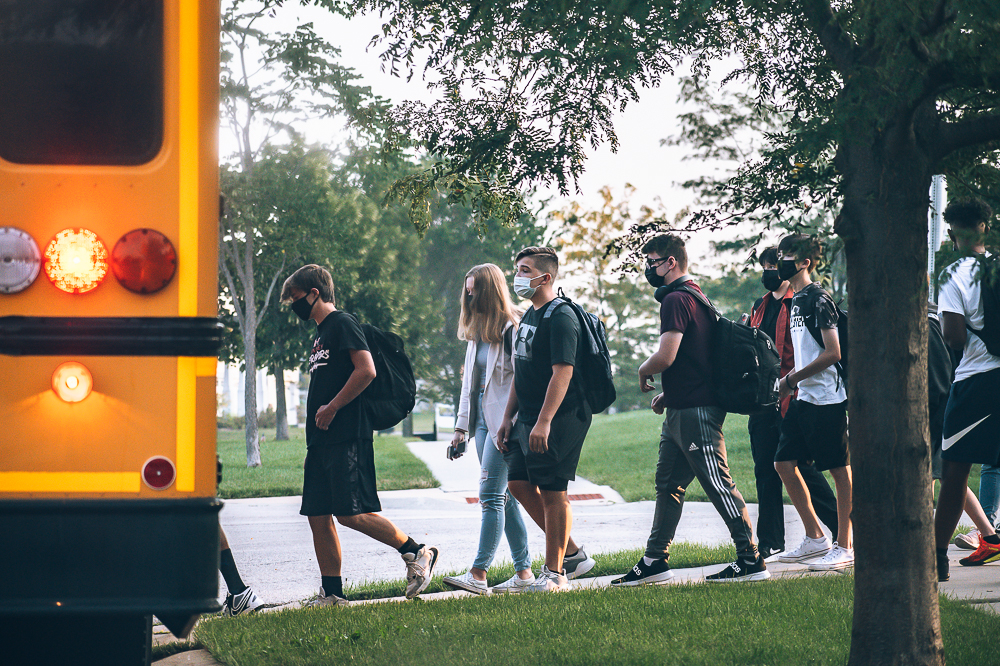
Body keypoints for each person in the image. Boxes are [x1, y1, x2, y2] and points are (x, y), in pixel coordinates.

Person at [612, 234, 768, 585]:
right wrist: (670, 394)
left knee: (717, 481)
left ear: (671, 262)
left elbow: (667, 355)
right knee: (668, 484)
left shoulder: (677, 299)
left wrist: (643, 369)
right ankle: (655, 560)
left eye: (653, 262)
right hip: (681, 408)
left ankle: (751, 559)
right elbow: (698, 357)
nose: (649, 269)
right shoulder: (697, 296)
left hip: (697, 411)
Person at [281, 264, 439, 606]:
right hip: (321, 440)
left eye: (295, 298)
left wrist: (333, 407)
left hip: (346, 435)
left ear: (314, 293)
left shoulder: (342, 323)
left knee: (351, 513)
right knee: (318, 514)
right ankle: (333, 594)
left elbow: (366, 370)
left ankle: (416, 552)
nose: (294, 305)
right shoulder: (321, 334)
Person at [496, 247, 595, 592]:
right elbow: (520, 371)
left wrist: (544, 421)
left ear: (545, 277)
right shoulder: (528, 316)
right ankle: (572, 553)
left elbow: (562, 373)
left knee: (554, 492)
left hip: (561, 417)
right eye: (518, 269)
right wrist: (509, 416)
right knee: (519, 483)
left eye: (524, 270)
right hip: (527, 417)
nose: (518, 276)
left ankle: (555, 574)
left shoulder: (561, 317)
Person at [442, 264, 535, 595]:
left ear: (491, 290)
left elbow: (522, 380)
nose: (469, 295)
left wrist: (510, 420)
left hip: (504, 425)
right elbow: (470, 384)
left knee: (490, 495)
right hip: (481, 426)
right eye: (466, 290)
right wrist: (460, 429)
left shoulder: (513, 327)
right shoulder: (476, 332)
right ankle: (524, 574)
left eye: (474, 289)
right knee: (503, 497)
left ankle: (479, 574)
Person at [747, 247, 838, 558]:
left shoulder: (799, 303)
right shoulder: (759, 306)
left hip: (793, 397)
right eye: (765, 266)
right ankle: (771, 542)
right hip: (763, 400)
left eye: (773, 264)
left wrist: (790, 385)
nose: (769, 271)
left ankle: (841, 531)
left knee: (805, 468)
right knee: (766, 470)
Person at [774, 234, 854, 571]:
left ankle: (845, 545)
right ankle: (814, 537)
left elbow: (832, 352)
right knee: (783, 463)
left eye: (788, 255)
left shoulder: (819, 299)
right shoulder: (795, 300)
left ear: (805, 261)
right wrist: (793, 383)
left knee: (838, 469)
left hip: (826, 398)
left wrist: (791, 379)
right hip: (804, 396)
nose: (782, 261)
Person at [933, 198, 1000, 579]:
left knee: (955, 472)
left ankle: (937, 559)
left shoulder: (952, 274)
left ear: (951, 233)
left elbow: (954, 337)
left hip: (976, 382)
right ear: (984, 227)